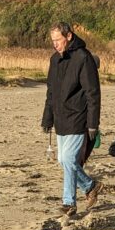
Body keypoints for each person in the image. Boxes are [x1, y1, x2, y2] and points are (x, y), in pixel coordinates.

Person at [42, 22, 103, 218]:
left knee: (68, 159)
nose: (55, 45)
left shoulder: (84, 58)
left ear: (68, 37)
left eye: (58, 40)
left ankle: (69, 203)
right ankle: (90, 185)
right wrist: (47, 118)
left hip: (79, 117)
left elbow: (93, 93)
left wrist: (93, 123)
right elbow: (51, 92)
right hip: (61, 119)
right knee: (63, 160)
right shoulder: (54, 60)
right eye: (53, 41)